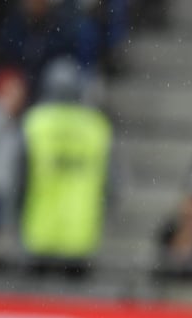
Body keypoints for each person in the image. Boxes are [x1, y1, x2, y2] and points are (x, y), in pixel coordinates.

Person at [17, 58, 117, 276]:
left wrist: (15, 217)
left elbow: (18, 180)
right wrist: (103, 216)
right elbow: (113, 186)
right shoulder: (96, 127)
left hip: (39, 233)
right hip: (80, 236)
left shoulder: (35, 122)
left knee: (37, 307)